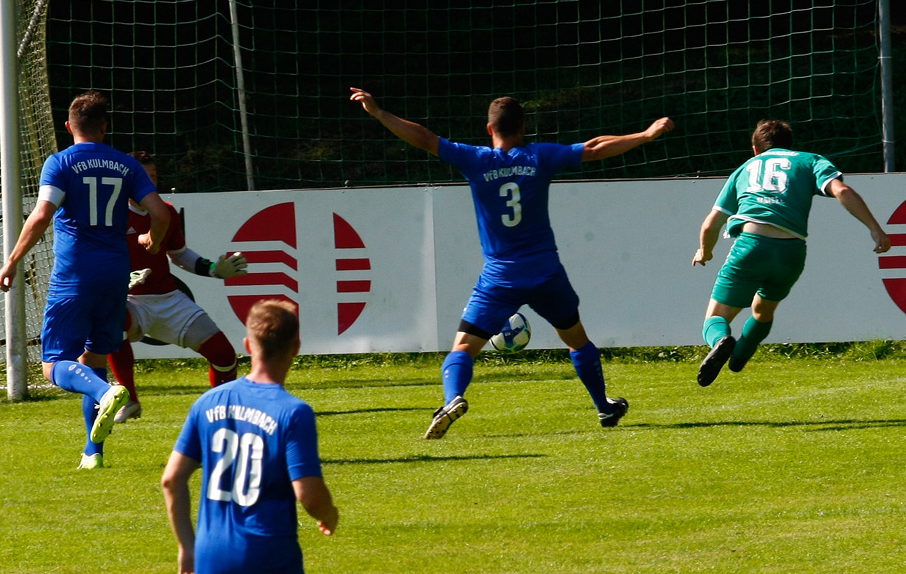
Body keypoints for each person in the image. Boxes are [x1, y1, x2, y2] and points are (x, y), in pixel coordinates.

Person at [350, 87, 674, 439]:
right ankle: (603, 407)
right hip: (546, 273)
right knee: (578, 341)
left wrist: (379, 113)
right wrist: (645, 134)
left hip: (500, 276)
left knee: (463, 348)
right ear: (523, 128)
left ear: (489, 129)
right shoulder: (540, 157)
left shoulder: (475, 159)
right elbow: (594, 148)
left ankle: (453, 397)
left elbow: (425, 139)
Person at [0, 90, 171, 469]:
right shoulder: (126, 165)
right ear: (105, 126)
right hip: (114, 274)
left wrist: (11, 261)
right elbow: (159, 212)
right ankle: (93, 453)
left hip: (74, 274)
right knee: (92, 359)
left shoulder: (60, 162)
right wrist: (154, 244)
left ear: (68, 126)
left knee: (54, 364)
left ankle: (107, 392)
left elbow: (42, 215)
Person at [692, 119, 892, 386]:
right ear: (790, 144)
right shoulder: (810, 161)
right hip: (792, 252)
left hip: (751, 245)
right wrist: (875, 229)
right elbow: (842, 190)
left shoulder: (744, 169)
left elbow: (710, 224)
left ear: (755, 148)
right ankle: (740, 355)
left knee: (716, 318)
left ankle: (721, 341)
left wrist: (705, 252)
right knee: (763, 310)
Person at [162, 299, 338, 574]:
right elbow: (310, 496)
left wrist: (187, 546)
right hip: (269, 555)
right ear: (296, 347)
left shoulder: (208, 403)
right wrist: (329, 514)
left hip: (211, 555)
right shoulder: (292, 412)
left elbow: (172, 480)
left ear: (247, 345)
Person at [105, 151, 249, 424]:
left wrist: (214, 270)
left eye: (155, 177)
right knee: (111, 318)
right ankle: (129, 397)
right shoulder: (111, 214)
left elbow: (180, 255)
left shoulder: (166, 211)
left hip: (168, 299)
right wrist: (118, 281)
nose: (152, 183)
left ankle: (218, 415)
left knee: (224, 355)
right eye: (145, 178)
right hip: (130, 300)